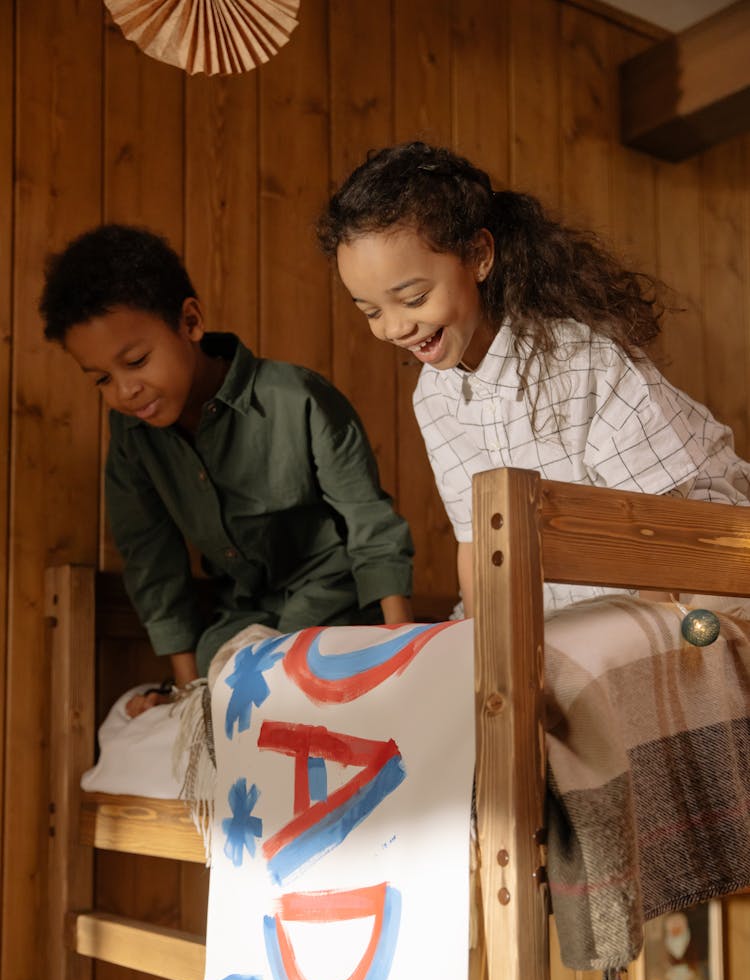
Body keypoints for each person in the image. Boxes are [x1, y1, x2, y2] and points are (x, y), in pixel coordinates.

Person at [318, 140, 750, 618]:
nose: (394, 328)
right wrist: (484, 644)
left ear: (479, 256)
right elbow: (476, 540)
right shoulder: (434, 397)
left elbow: (659, 527)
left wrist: (641, 645)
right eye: (372, 311)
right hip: (564, 593)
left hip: (687, 557)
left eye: (415, 299)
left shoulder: (583, 361)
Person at [40, 223, 414, 714]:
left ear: (190, 322)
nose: (125, 390)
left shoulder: (297, 399)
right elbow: (153, 565)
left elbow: (371, 524)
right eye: (103, 379)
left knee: (295, 674)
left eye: (136, 360)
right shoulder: (132, 442)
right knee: (223, 673)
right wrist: (189, 691)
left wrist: (404, 650)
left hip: (337, 610)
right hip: (240, 622)